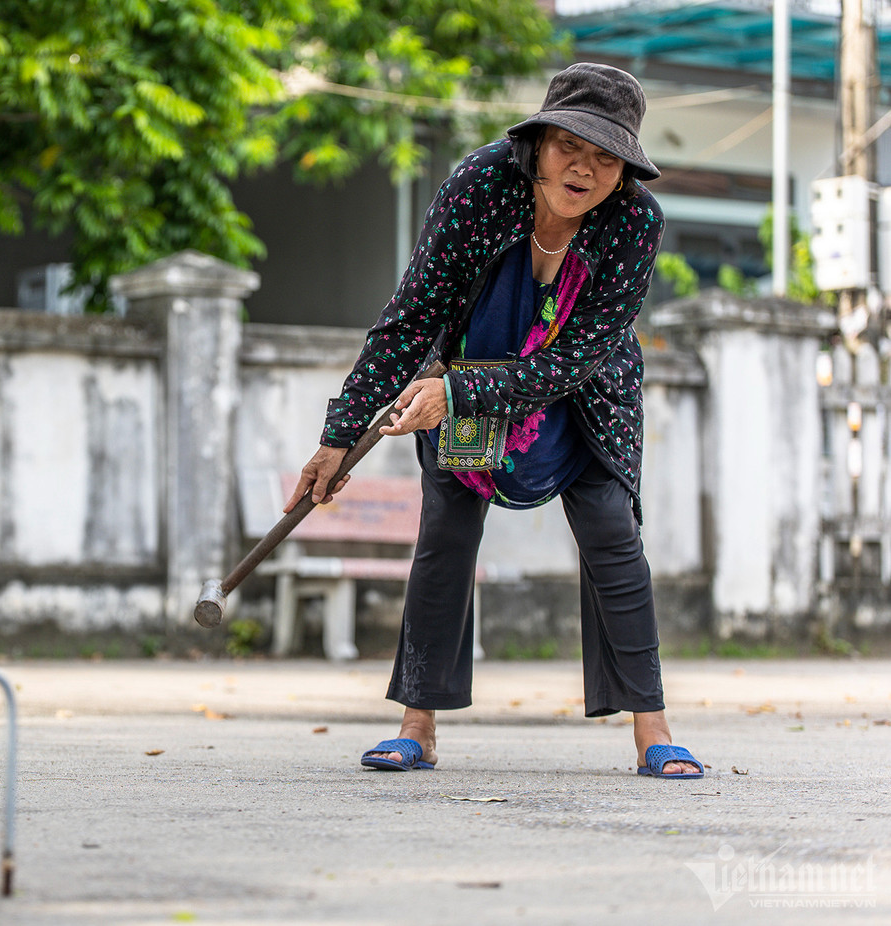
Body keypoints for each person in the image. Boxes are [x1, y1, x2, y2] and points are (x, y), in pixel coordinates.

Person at [285, 62, 704, 779]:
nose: (585, 167)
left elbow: (577, 359)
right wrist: (338, 435)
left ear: (624, 173)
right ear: (538, 140)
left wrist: (461, 396)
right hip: (469, 367)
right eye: (572, 143)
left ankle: (653, 728)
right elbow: (412, 317)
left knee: (611, 532)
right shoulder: (479, 186)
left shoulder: (636, 223)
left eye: (608, 157)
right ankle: (417, 725)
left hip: (584, 394)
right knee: (446, 530)